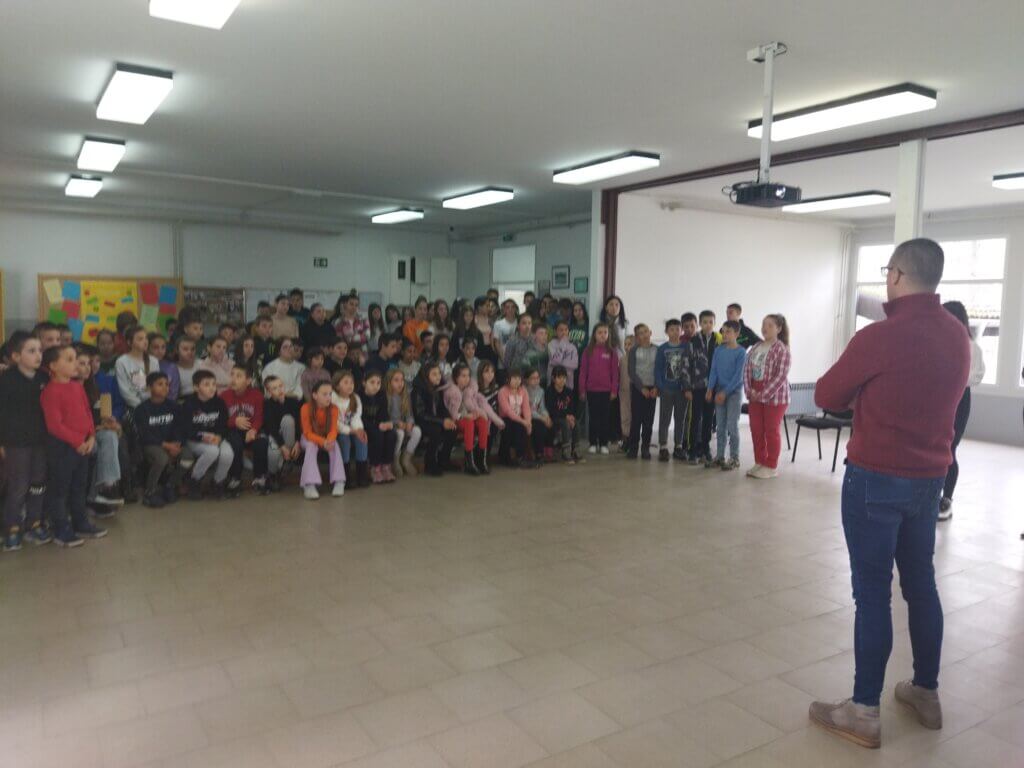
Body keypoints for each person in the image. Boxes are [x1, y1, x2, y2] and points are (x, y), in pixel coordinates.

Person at [807, 239, 970, 749]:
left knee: (872, 592)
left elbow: (827, 394)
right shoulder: (957, 334)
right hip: (929, 481)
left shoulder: (879, 336)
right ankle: (926, 691)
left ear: (896, 275)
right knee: (921, 584)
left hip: (876, 478)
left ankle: (863, 711)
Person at [40, 345, 106, 547]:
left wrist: (91, 436)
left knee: (79, 486)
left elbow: (87, 412)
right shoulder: (50, 391)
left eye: (75, 358)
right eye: (69, 359)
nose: (75, 363)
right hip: (62, 448)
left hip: (83, 446)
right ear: (53, 366)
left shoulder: (77, 386)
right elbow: (55, 425)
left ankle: (80, 522)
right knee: (60, 490)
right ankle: (61, 528)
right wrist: (77, 442)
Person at [1, 332, 52, 551]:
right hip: (15, 443)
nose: (38, 355)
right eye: (31, 351)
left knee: (38, 483)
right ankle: (12, 528)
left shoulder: (44, 378)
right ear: (15, 356)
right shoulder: (6, 380)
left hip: (40, 441)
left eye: (39, 350)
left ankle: (34, 523)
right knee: (18, 486)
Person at [938, 300, 985, 521]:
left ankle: (946, 499)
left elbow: (975, 376)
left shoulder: (971, 347)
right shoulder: (936, 342)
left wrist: (952, 377)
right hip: (937, 398)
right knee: (934, 447)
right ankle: (930, 495)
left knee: (949, 449)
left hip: (959, 399)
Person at [743, 314, 792, 479]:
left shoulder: (782, 349)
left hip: (775, 396)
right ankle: (760, 461)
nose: (765, 328)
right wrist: (749, 390)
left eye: (770, 325)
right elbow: (746, 370)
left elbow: (780, 376)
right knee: (756, 429)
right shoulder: (756, 346)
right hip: (754, 394)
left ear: (779, 329)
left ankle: (771, 466)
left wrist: (762, 394)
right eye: (764, 324)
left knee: (771, 430)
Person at [181, 370, 233, 501]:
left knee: (228, 454)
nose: (212, 388)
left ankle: (217, 482)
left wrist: (219, 436)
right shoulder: (189, 404)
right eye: (206, 384)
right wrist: (202, 437)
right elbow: (186, 429)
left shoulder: (219, 402)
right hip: (195, 439)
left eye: (214, 384)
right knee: (212, 451)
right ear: (196, 387)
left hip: (216, 437)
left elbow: (224, 425)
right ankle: (194, 480)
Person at [133, 371, 183, 508]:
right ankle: (150, 492)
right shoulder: (141, 410)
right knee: (162, 458)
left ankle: (170, 485)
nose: (165, 387)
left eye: (167, 384)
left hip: (171, 442)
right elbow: (145, 434)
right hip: (151, 444)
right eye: (160, 384)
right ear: (150, 387)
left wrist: (177, 442)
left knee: (187, 457)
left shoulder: (174, 406)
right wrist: (166, 445)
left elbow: (179, 427)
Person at [445, 363, 503, 475]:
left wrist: (478, 412)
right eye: (463, 376)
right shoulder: (452, 391)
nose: (466, 379)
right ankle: (469, 463)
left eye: (468, 375)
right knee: (469, 422)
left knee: (482, 421)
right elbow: (452, 413)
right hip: (456, 418)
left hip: (470, 416)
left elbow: (477, 403)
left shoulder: (471, 388)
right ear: (456, 378)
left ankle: (481, 461)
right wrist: (466, 415)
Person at [222, 363, 267, 495]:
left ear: (248, 381)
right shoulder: (224, 396)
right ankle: (235, 478)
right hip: (233, 430)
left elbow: (259, 416)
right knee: (235, 444)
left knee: (261, 442)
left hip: (251, 430)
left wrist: (253, 430)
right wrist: (234, 421)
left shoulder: (257, 395)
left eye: (238, 376)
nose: (233, 379)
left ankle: (260, 477)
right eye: (232, 375)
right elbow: (221, 419)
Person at [706, 321, 745, 470]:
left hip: (734, 392)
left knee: (732, 425)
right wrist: (710, 389)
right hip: (719, 391)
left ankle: (734, 458)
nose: (725, 334)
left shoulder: (741, 352)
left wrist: (725, 392)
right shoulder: (718, 350)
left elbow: (738, 377)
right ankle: (720, 457)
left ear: (737, 334)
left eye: (728, 331)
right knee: (720, 425)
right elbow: (714, 370)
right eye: (723, 331)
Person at [299, 381, 346, 499]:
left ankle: (339, 481)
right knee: (311, 446)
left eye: (330, 394)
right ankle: (309, 485)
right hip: (309, 438)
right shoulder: (305, 408)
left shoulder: (334, 409)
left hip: (326, 438)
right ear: (315, 395)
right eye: (324, 394)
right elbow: (307, 433)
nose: (328, 397)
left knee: (334, 445)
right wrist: (322, 442)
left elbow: (333, 430)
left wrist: (329, 441)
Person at [579, 323, 619, 455]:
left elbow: (615, 373)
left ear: (608, 335)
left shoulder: (612, 352)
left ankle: (603, 444)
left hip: (606, 391)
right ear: (594, 335)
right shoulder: (587, 351)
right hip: (591, 390)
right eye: (600, 332)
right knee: (593, 418)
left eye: (605, 332)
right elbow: (583, 371)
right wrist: (582, 389)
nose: (602, 335)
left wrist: (614, 390)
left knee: (605, 418)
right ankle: (592, 443)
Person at [412, 362, 457, 476]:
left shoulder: (437, 387)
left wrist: (448, 419)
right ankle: (430, 463)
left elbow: (441, 407)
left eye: (439, 374)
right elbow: (420, 414)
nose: (438, 377)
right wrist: (442, 422)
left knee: (452, 429)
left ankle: (444, 460)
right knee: (436, 430)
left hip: (434, 419)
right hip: (421, 421)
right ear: (426, 376)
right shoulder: (418, 389)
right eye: (434, 374)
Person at [654, 318, 690, 461]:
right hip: (666, 390)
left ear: (681, 331)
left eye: (677, 329)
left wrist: (687, 387)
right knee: (665, 419)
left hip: (682, 390)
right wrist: (660, 386)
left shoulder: (686, 347)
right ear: (666, 332)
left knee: (680, 418)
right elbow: (658, 369)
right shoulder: (662, 349)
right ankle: (663, 447)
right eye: (671, 329)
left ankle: (678, 446)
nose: (675, 332)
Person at [259, 375, 301, 493]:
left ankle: (287, 461)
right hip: (275, 435)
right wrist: (282, 446)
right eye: (275, 388)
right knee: (273, 454)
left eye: (281, 386)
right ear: (268, 392)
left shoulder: (293, 402)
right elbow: (271, 427)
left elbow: (299, 424)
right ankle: (274, 475)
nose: (279, 390)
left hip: (290, 437)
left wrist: (297, 442)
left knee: (288, 419)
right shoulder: (267, 404)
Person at [691, 311, 721, 464]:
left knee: (709, 418)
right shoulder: (694, 340)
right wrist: (687, 387)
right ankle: (693, 450)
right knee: (696, 418)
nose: (708, 325)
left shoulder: (719, 340)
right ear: (700, 324)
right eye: (704, 322)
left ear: (714, 323)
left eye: (710, 322)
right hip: (697, 386)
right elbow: (687, 364)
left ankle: (705, 448)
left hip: (713, 386)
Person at [332, 370, 370, 488]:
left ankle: (361, 475)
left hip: (352, 429)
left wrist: (359, 430)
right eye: (346, 382)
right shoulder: (332, 399)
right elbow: (335, 423)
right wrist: (352, 431)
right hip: (337, 431)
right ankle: (345, 476)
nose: (350, 385)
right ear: (337, 386)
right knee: (344, 440)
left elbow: (356, 417)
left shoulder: (356, 398)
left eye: (352, 382)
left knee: (362, 439)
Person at [626, 324, 657, 460]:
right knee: (636, 420)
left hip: (652, 390)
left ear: (650, 332)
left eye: (645, 332)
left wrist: (656, 387)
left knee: (648, 421)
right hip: (638, 389)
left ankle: (645, 448)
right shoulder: (634, 350)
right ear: (637, 337)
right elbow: (631, 371)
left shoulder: (657, 350)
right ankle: (633, 448)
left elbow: (659, 370)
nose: (644, 335)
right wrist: (641, 388)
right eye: (640, 333)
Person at [360, 370, 397, 484]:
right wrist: (377, 425)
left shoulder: (381, 395)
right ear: (364, 383)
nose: (375, 386)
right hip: (363, 425)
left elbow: (383, 414)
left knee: (391, 434)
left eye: (378, 383)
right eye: (372, 382)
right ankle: (374, 467)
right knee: (377, 435)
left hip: (378, 424)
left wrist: (387, 423)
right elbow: (360, 418)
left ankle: (386, 466)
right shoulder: (359, 396)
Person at [383, 369, 420, 478]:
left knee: (417, 431)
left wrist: (409, 423)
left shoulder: (405, 395)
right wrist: (396, 423)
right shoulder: (386, 396)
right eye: (396, 380)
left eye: (402, 380)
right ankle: (395, 460)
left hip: (403, 425)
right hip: (392, 426)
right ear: (389, 382)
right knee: (399, 433)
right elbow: (385, 416)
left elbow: (409, 414)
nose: (400, 383)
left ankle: (406, 459)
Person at [115, 325, 159, 410]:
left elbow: (156, 386)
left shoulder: (154, 361)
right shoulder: (121, 362)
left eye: (146, 338)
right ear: (129, 342)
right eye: (140, 339)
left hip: (153, 405)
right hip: (134, 408)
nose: (145, 342)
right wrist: (142, 407)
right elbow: (125, 391)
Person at [497, 367, 533, 468]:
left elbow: (526, 408)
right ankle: (507, 457)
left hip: (519, 417)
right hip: (505, 418)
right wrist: (522, 421)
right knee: (513, 427)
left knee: (521, 427)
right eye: (514, 378)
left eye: (519, 378)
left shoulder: (523, 390)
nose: (517, 381)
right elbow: (507, 411)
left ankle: (520, 457)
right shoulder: (502, 391)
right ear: (508, 379)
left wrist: (528, 421)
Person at [545, 365, 580, 463]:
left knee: (576, 423)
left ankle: (575, 450)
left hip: (566, 417)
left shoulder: (569, 391)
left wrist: (571, 416)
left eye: (564, 378)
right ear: (553, 378)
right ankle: (566, 452)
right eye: (559, 378)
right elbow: (551, 410)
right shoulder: (549, 392)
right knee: (564, 423)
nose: (562, 380)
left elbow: (572, 407)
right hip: (554, 418)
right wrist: (566, 416)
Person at [524, 368, 553, 463]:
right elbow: (528, 410)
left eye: (537, 378)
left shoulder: (541, 391)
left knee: (550, 423)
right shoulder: (524, 391)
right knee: (539, 426)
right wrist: (542, 418)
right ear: (527, 380)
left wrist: (547, 417)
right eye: (533, 378)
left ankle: (547, 451)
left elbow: (542, 407)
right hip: (527, 417)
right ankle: (538, 453)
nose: (536, 380)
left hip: (537, 416)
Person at [148, 332, 180, 402]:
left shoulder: (171, 367)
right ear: (147, 348)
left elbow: (173, 393)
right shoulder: (141, 365)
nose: (160, 351)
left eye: (163, 347)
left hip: (167, 405)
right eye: (156, 347)